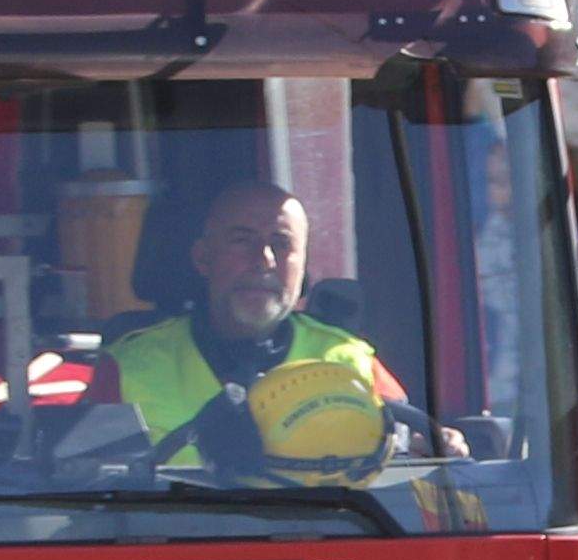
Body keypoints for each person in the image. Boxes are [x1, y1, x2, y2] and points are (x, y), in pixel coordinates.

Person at [98, 178, 405, 471]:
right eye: (242, 240)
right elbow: (93, 498)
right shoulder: (126, 367)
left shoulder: (354, 363)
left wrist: (439, 446)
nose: (264, 260)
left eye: (281, 244)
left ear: (303, 266)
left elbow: (408, 470)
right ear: (204, 258)